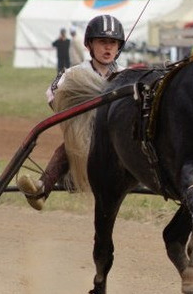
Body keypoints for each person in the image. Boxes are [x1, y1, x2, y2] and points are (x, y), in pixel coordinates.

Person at [17, 14, 125, 210]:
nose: (108, 47)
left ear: (119, 47)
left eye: (113, 42)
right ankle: (41, 189)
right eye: (102, 42)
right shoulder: (74, 74)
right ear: (89, 45)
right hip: (85, 142)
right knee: (68, 147)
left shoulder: (126, 76)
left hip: (119, 141)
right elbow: (53, 96)